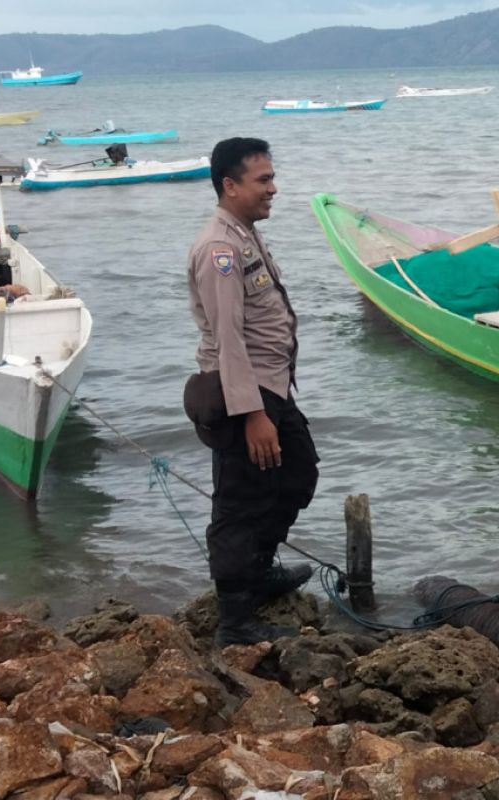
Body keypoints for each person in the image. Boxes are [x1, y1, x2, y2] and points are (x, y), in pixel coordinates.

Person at [186, 137, 319, 646]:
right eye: (262, 180)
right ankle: (235, 621)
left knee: (297, 474)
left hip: (272, 390)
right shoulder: (220, 249)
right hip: (246, 396)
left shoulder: (244, 235)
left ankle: (259, 572)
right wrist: (251, 415)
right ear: (230, 185)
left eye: (271, 177)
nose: (273, 188)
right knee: (240, 502)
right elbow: (228, 338)